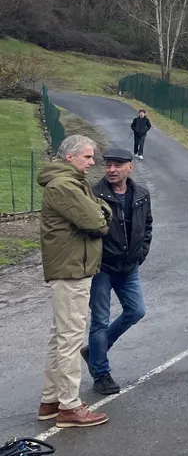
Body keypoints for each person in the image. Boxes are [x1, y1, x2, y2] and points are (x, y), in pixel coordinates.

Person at [36, 134, 111, 428]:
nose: (93, 163)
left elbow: (98, 212)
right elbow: (96, 220)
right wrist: (101, 211)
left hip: (72, 267)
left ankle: (50, 400)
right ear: (70, 157)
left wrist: (99, 210)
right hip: (71, 270)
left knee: (60, 337)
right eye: (88, 157)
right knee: (70, 339)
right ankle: (69, 406)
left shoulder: (70, 184)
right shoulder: (65, 186)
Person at [85, 147, 151, 395]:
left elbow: (148, 225)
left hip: (129, 266)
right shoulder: (94, 194)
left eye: (117, 165)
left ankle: (95, 351)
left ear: (129, 167)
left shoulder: (141, 194)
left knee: (136, 311)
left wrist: (141, 253)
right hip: (102, 268)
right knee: (99, 321)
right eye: (108, 165)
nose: (112, 170)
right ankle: (101, 373)